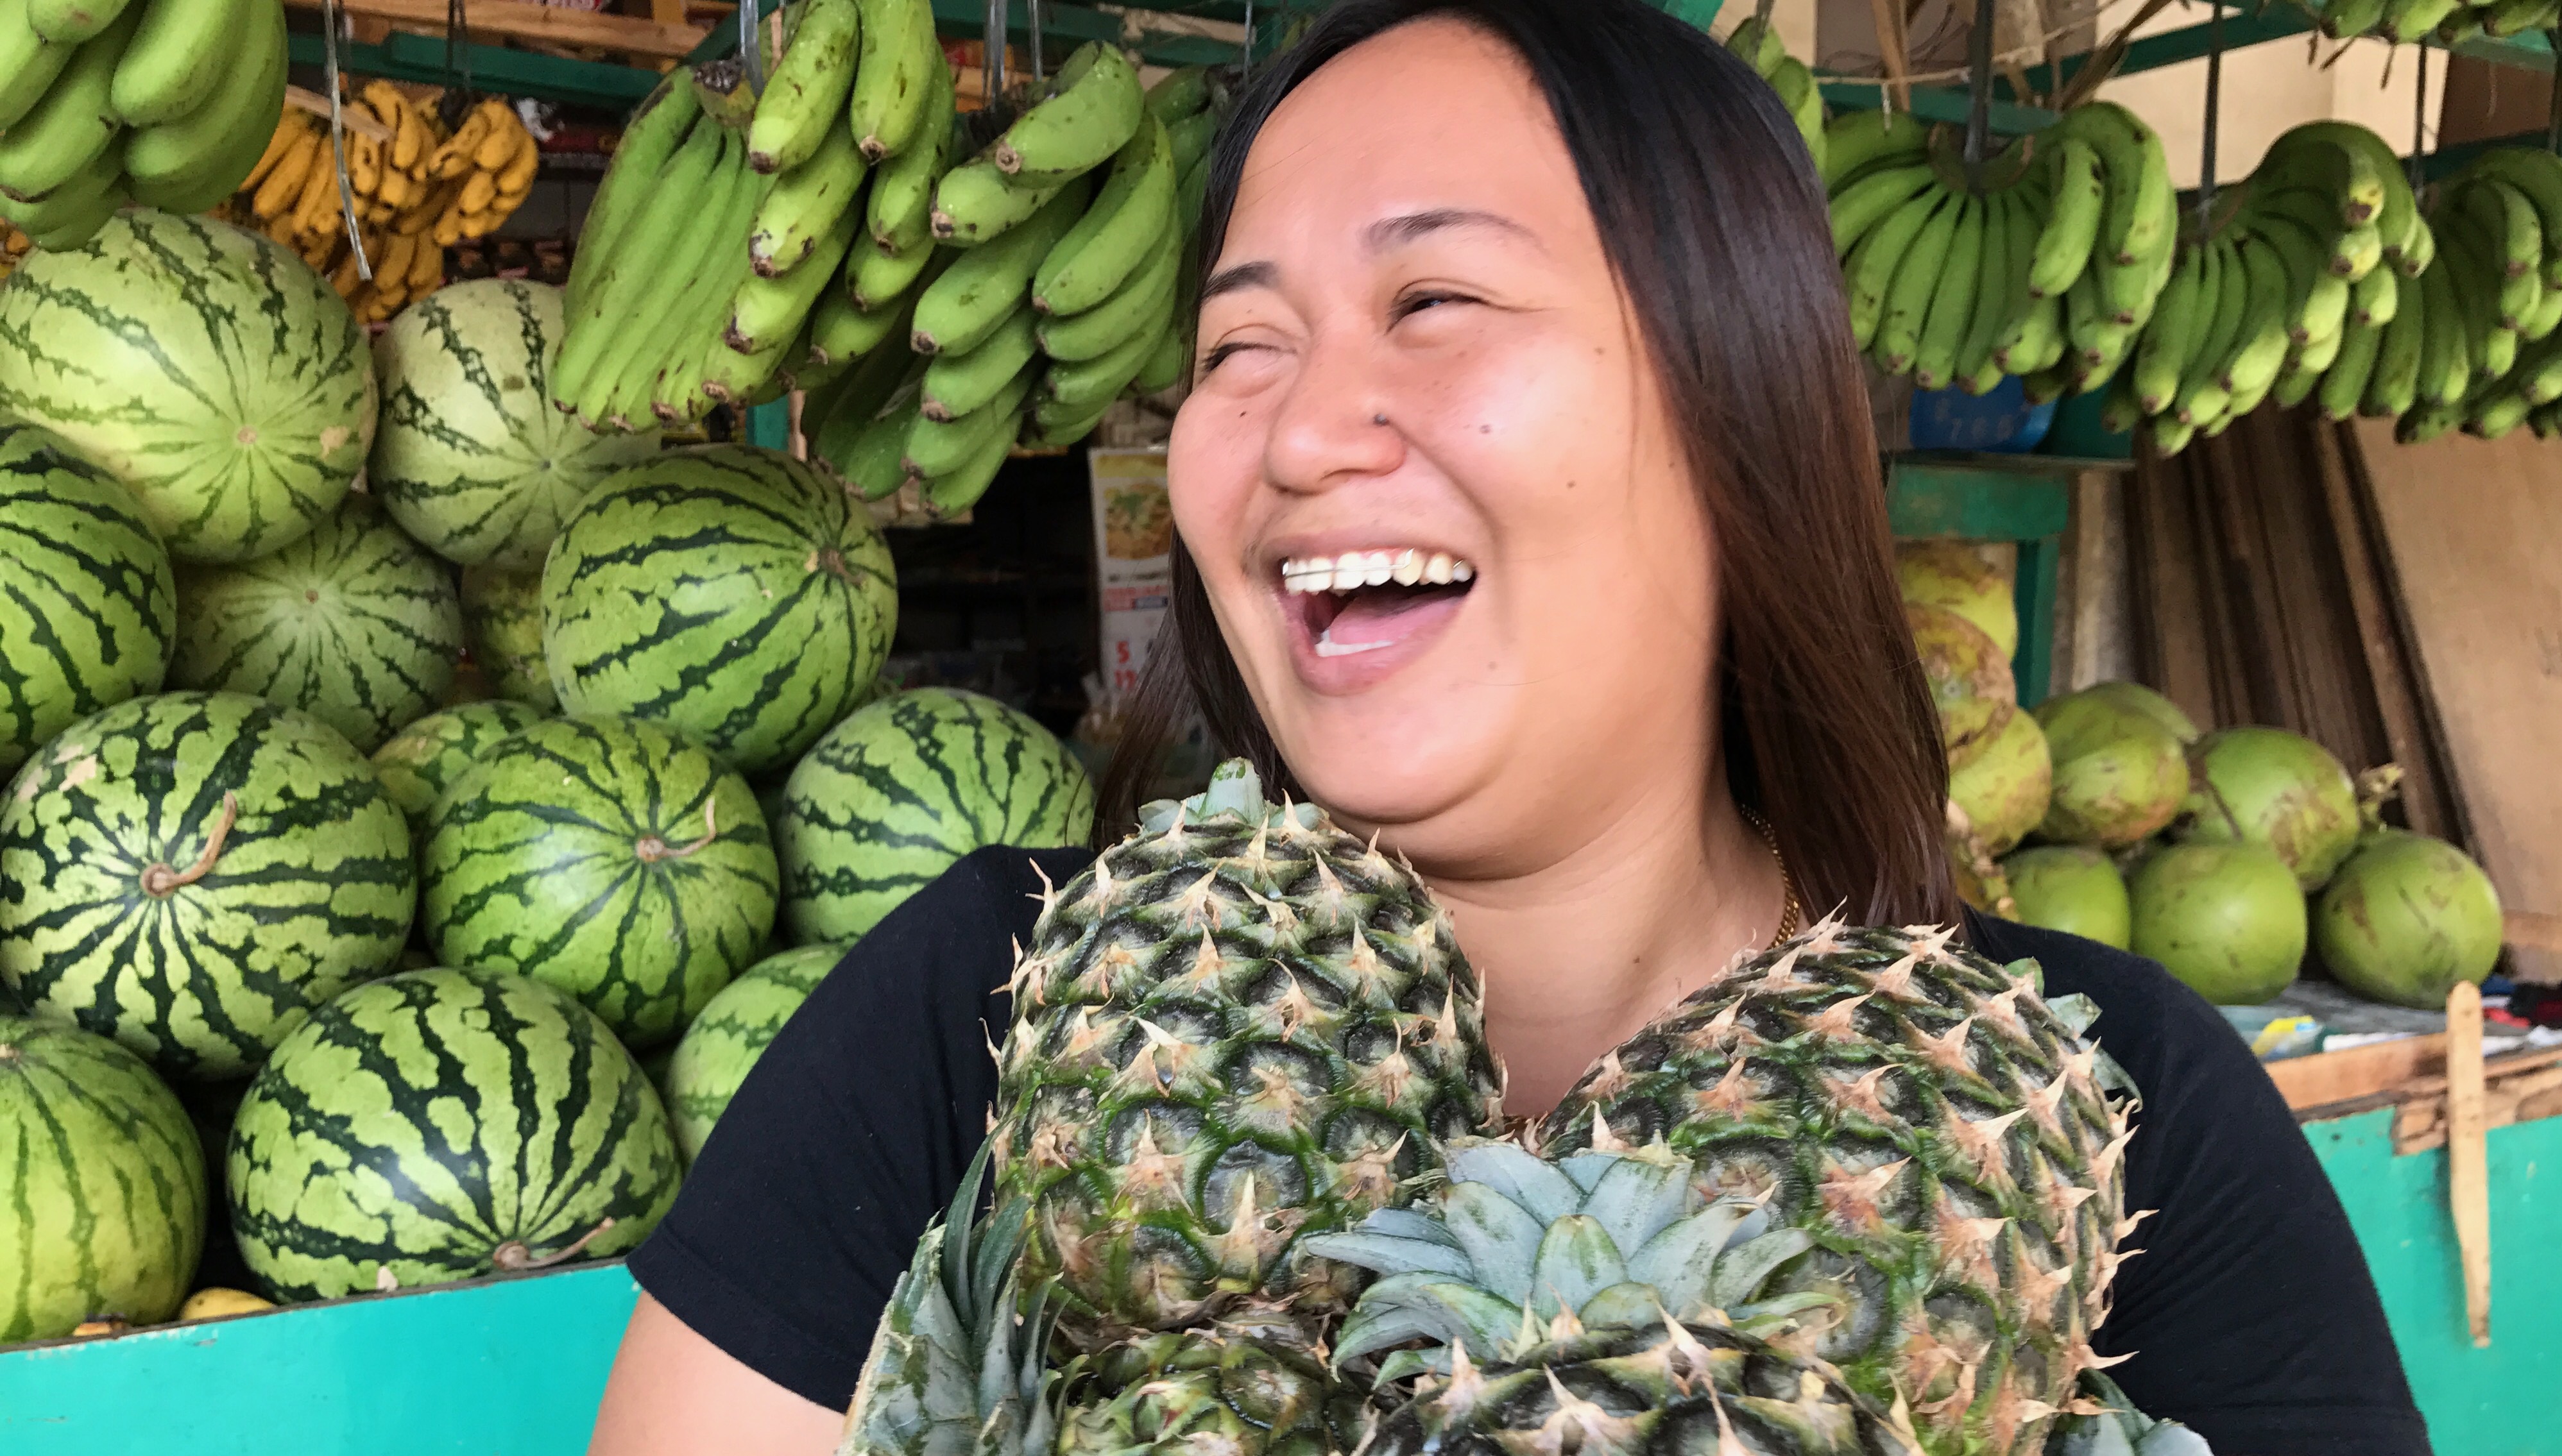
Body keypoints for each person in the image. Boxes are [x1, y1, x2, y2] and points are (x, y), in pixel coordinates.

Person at [588, 3, 2431, 1452]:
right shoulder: (986, 1001)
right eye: (1241, 347)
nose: (1300, 432)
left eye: (1435, 302)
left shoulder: (2084, 1102)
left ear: (1739, 405)